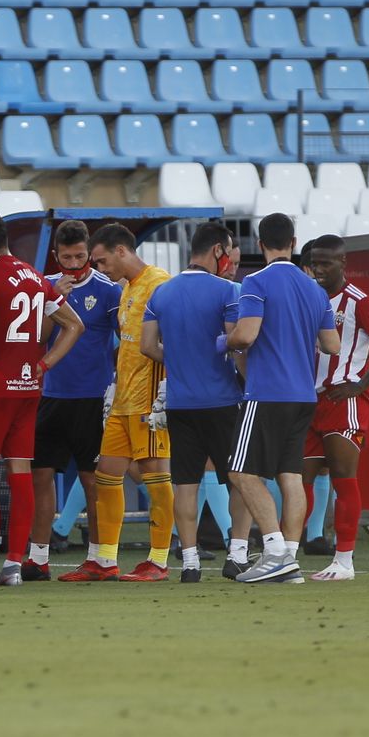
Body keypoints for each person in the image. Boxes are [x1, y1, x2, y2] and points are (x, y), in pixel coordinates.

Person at [0, 209, 85, 586]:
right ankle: (14, 563)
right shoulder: (33, 277)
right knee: (19, 472)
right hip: (29, 387)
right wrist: (43, 365)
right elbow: (75, 325)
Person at [225, 213, 341, 584]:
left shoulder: (255, 282)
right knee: (290, 475)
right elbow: (332, 344)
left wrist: (221, 343)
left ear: (259, 245)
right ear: (294, 242)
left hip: (267, 392)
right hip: (303, 394)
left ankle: (274, 550)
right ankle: (289, 557)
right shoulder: (315, 289)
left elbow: (245, 336)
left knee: (240, 471)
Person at [66, 223, 174, 582]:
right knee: (107, 475)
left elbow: (173, 338)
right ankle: (105, 560)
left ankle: (158, 561)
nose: (98, 268)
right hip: (123, 398)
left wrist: (167, 390)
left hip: (148, 401)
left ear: (122, 251)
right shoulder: (126, 288)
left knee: (156, 478)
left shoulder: (159, 283)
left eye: (101, 260)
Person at [139, 223, 242, 584]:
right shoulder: (228, 290)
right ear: (217, 250)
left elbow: (147, 346)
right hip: (222, 399)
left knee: (186, 483)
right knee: (239, 480)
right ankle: (238, 555)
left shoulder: (161, 293)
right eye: (228, 250)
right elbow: (235, 340)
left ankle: (190, 562)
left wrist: (180, 355)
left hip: (180, 402)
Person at [303, 234, 369, 581]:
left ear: (343, 264)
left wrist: (360, 385)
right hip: (309, 402)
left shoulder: (359, 301)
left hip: (343, 402)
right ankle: (284, 553)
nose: (319, 269)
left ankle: (344, 561)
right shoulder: (309, 297)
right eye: (315, 262)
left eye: (326, 263)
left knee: (344, 480)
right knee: (300, 482)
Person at [31, 220, 121, 581]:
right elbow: (38, 338)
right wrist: (57, 301)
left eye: (80, 256)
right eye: (66, 257)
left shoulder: (108, 290)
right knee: (41, 477)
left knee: (92, 481)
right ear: (56, 256)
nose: (73, 263)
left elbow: (123, 340)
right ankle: (38, 558)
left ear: (89, 253)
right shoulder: (45, 288)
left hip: (92, 398)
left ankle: (100, 560)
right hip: (51, 395)